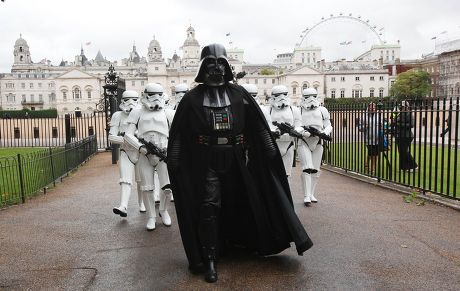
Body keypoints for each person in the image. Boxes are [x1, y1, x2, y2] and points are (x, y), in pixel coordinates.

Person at [167, 44, 313, 283]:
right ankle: (210, 257)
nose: (217, 68)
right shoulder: (192, 99)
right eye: (212, 64)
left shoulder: (238, 94)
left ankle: (244, 242)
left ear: (227, 66)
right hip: (207, 160)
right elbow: (180, 132)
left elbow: (256, 123)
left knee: (243, 199)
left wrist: (267, 147)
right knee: (209, 206)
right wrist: (174, 156)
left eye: (221, 63)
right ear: (203, 67)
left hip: (237, 158)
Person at [124, 83, 174, 230]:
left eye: (159, 95)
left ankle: (163, 211)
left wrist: (170, 149)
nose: (155, 98)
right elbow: (127, 134)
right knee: (147, 188)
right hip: (144, 154)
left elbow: (177, 134)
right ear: (145, 95)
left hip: (163, 153)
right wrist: (140, 147)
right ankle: (151, 216)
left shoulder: (169, 113)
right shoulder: (137, 112)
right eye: (152, 95)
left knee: (168, 187)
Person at [109, 90, 145, 217]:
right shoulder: (117, 116)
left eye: (134, 100)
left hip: (140, 151)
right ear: (122, 101)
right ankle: (123, 206)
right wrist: (125, 141)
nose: (130, 103)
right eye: (127, 99)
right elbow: (111, 137)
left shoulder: (143, 113)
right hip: (126, 151)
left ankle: (142, 204)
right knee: (125, 180)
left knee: (141, 180)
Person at [297, 88, 332, 205]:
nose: (311, 100)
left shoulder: (322, 110)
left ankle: (311, 193)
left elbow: (328, 125)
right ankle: (306, 195)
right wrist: (305, 132)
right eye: (308, 97)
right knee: (307, 168)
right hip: (304, 141)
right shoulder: (299, 110)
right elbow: (297, 126)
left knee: (316, 170)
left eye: (313, 96)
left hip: (318, 141)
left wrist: (324, 133)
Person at [268, 85, 302, 178]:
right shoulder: (268, 109)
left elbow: (299, 125)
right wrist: (275, 131)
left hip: (289, 144)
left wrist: (295, 131)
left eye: (284, 94)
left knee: (286, 174)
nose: (282, 97)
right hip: (273, 144)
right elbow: (266, 125)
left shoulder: (294, 110)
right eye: (278, 95)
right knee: (273, 175)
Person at [393, 100, 417, 171]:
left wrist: (398, 124)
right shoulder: (400, 114)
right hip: (399, 135)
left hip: (407, 135)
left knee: (404, 151)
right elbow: (395, 120)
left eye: (404, 106)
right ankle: (403, 167)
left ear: (407, 107)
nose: (402, 108)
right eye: (402, 106)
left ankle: (414, 165)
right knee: (401, 151)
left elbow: (411, 125)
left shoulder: (409, 114)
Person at [359, 102, 381, 174]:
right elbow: (359, 128)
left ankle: (366, 163)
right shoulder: (364, 116)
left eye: (374, 108)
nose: (373, 109)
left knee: (375, 153)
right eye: (371, 107)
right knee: (372, 153)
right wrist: (364, 126)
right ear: (368, 108)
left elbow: (383, 124)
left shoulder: (378, 115)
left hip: (377, 138)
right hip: (368, 139)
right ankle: (373, 168)